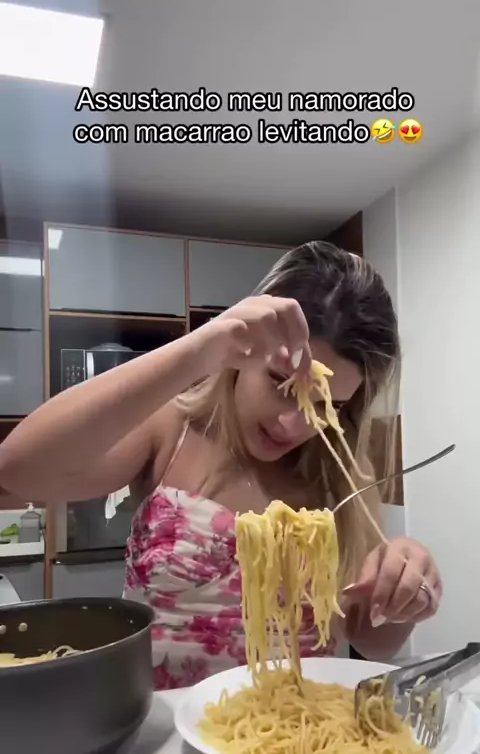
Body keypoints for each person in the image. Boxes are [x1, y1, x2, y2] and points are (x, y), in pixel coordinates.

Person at [0, 241, 442, 689]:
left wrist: (404, 593)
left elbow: (373, 641)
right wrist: (200, 348)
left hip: (300, 723)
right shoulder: (170, 428)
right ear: (242, 353)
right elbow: (17, 470)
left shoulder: (340, 474)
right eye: (280, 382)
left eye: (328, 405)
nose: (293, 423)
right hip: (166, 722)